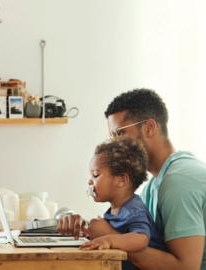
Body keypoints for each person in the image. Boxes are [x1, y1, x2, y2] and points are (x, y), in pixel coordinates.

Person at [57, 89, 206, 270]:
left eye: (119, 133)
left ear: (149, 128)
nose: (114, 144)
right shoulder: (154, 185)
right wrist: (88, 229)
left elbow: (186, 268)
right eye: (111, 137)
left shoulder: (179, 182)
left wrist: (109, 236)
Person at [79, 137, 165, 270]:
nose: (90, 182)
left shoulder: (134, 209)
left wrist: (108, 240)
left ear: (122, 180)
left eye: (95, 175)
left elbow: (141, 239)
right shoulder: (115, 209)